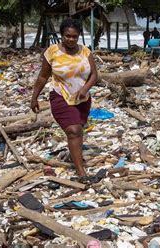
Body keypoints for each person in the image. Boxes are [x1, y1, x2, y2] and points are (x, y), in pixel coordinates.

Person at [31, 19, 97, 180]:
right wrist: (34, 98)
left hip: (82, 99)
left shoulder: (85, 52)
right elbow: (43, 76)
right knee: (73, 131)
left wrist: (85, 89)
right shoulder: (52, 52)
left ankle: (76, 156)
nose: (71, 39)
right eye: (67, 36)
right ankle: (81, 172)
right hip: (60, 96)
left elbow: (94, 75)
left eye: (74, 36)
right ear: (62, 35)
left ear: (79, 36)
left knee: (78, 131)